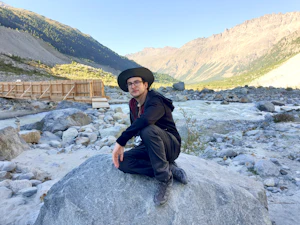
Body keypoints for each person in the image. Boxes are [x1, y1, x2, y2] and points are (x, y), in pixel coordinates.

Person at [112, 67, 188, 206]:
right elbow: (136, 128)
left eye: (137, 82)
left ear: (145, 85)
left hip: (170, 145)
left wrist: (121, 141)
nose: (133, 86)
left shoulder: (156, 100)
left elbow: (145, 121)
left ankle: (164, 179)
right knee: (122, 162)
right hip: (150, 146)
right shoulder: (133, 104)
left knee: (148, 129)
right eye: (130, 84)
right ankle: (169, 168)